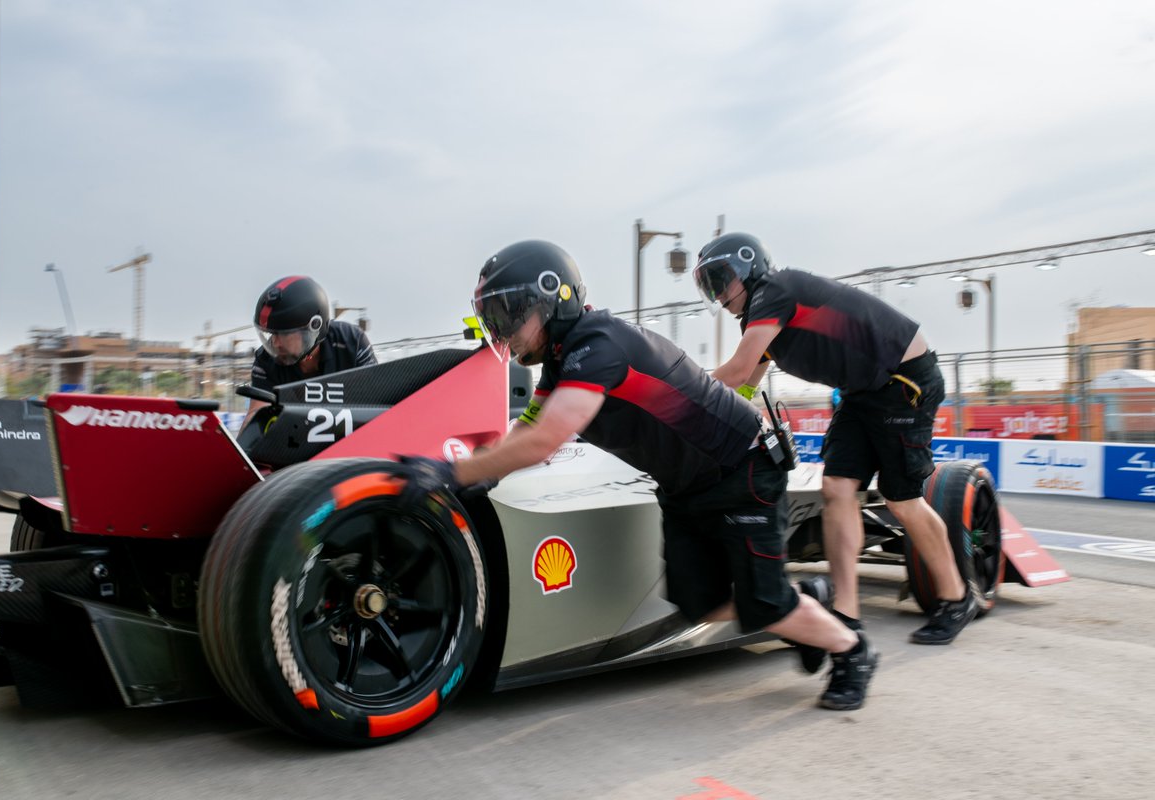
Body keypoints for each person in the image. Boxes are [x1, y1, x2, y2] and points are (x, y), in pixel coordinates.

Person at [400, 240, 878, 710]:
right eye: (495, 317)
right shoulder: (562, 363)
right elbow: (523, 431)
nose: (504, 331)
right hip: (687, 484)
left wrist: (455, 471)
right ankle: (804, 604)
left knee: (765, 603)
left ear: (553, 297)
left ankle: (853, 652)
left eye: (510, 314)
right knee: (699, 604)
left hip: (743, 470)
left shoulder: (598, 346)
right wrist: (481, 473)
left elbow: (545, 441)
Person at [692, 232, 976, 645]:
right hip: (862, 391)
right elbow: (745, 388)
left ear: (749, 266)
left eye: (721, 279)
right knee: (837, 488)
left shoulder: (775, 290)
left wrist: (677, 388)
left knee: (902, 499)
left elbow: (735, 373)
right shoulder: (762, 315)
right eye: (710, 285)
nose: (718, 293)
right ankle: (847, 612)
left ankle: (956, 596)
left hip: (904, 381)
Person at [240, 275, 376, 431]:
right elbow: (256, 415)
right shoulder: (265, 360)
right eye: (271, 334)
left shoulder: (352, 342)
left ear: (313, 328)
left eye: (283, 334)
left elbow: (376, 405)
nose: (275, 343)